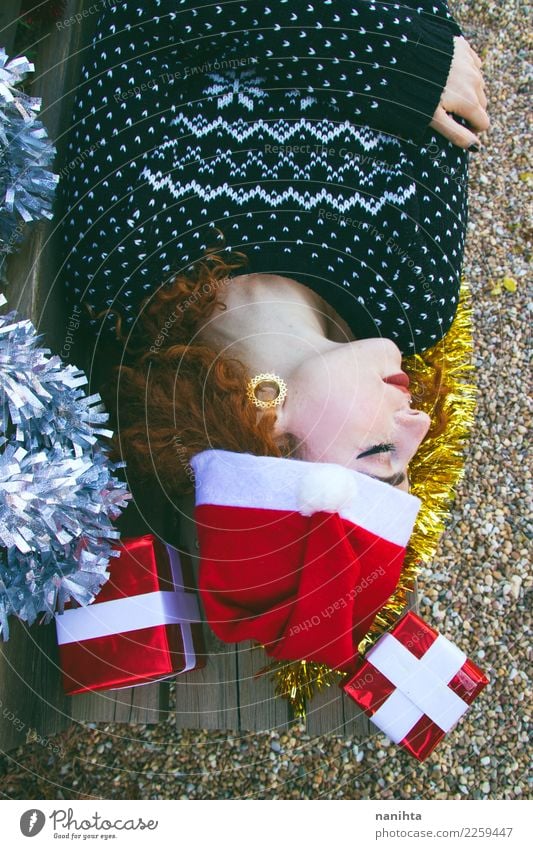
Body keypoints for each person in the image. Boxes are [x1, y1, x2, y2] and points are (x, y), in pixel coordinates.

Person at [54, 1, 488, 673]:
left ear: (270, 430)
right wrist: (399, 49)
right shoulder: (413, 292)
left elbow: (139, 24)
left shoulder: (121, 255)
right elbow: (440, 48)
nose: (419, 422)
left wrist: (378, 54)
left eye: (379, 453)